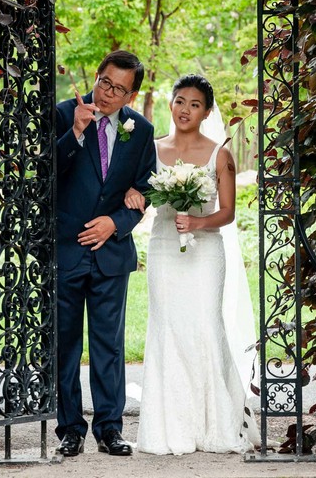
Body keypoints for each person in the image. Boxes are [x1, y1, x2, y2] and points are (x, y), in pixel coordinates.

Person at [125, 74, 260, 455]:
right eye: (180, 101)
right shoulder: (151, 149)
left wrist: (199, 222)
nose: (185, 109)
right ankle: (170, 428)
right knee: (166, 328)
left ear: (207, 111)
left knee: (203, 325)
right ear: (171, 103)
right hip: (166, 251)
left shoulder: (220, 154)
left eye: (195, 104)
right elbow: (137, 192)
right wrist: (134, 193)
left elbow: (229, 212)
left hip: (204, 254)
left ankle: (215, 424)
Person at [55, 50, 156, 458]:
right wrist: (76, 133)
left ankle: (110, 429)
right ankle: (70, 429)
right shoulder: (65, 114)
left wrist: (117, 222)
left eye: (120, 89)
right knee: (64, 343)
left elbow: (147, 187)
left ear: (132, 96)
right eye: (105, 82)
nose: (109, 93)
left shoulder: (141, 129)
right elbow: (45, 173)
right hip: (66, 249)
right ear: (96, 77)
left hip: (111, 253)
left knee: (109, 346)